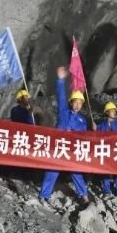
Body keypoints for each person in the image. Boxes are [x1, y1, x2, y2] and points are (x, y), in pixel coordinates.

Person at [39, 67, 90, 204]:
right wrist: (60, 80)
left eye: (80, 103)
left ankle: (84, 196)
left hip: (71, 149)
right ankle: (43, 196)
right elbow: (60, 95)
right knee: (52, 171)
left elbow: (83, 137)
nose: (78, 105)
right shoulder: (63, 111)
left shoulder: (82, 120)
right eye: (76, 102)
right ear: (71, 102)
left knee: (76, 172)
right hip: (58, 147)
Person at [98, 101, 117, 195]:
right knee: (105, 169)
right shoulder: (101, 125)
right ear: (107, 112)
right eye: (112, 111)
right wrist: (95, 129)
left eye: (114, 110)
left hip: (115, 150)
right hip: (105, 150)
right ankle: (106, 188)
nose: (114, 112)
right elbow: (96, 136)